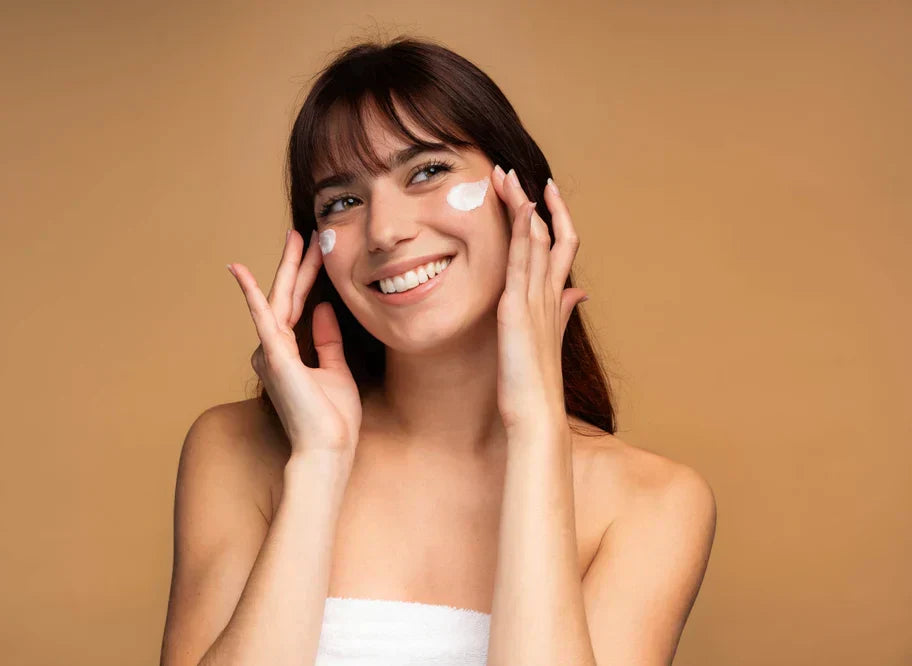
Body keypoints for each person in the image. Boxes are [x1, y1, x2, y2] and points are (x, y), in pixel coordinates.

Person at [160, 36, 716, 666]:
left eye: (426, 171)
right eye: (343, 202)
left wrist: (536, 432)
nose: (385, 230)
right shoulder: (236, 450)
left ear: (521, 197)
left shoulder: (652, 502)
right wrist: (317, 464)